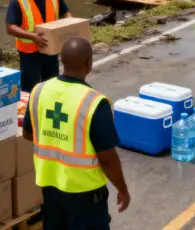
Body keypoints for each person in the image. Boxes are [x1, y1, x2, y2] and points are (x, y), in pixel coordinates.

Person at [26, 38, 129, 230]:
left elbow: (27, 133)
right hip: (85, 194)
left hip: (50, 187)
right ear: (88, 63)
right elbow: (107, 158)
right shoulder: (94, 102)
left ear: (62, 60)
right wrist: (122, 189)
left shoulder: (39, 91)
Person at [7, 0, 72, 96]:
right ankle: (29, 115)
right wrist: (33, 36)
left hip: (50, 49)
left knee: (52, 85)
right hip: (29, 53)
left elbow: (65, 12)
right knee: (30, 90)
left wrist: (69, 25)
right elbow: (10, 27)